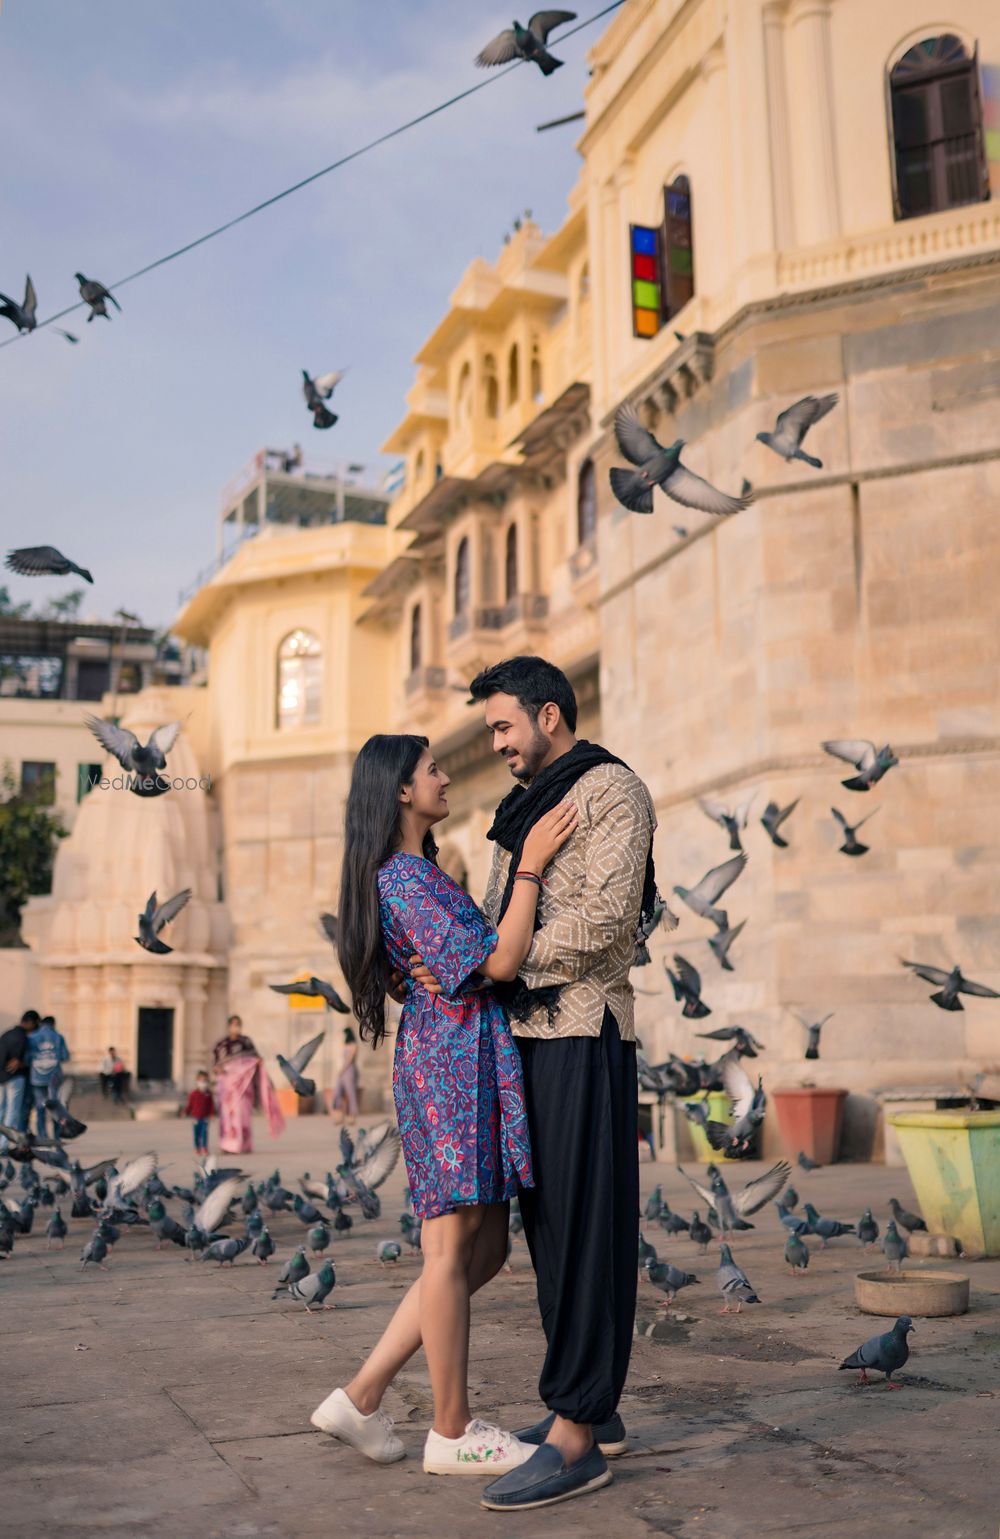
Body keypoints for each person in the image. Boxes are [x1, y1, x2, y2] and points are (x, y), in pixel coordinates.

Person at [412, 657, 657, 1512]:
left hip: (584, 1030)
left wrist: (496, 962)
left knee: (587, 1227)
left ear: (549, 715)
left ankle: (577, 1436)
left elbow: (607, 924)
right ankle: (593, 1408)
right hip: (524, 1036)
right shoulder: (523, 811)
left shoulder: (612, 791)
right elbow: (497, 919)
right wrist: (459, 953)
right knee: (552, 1230)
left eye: (505, 726)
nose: (498, 743)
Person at [310, 733, 577, 1479]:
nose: (446, 774)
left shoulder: (413, 874)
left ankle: (362, 1396)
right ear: (400, 789)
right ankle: (452, 1429)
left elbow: (462, 957)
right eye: (432, 768)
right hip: (451, 1064)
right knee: (451, 1251)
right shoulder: (404, 878)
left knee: (481, 1248)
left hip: (457, 1055)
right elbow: (496, 960)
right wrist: (530, 865)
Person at [211, 1014, 283, 1154]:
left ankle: (242, 1145)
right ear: (228, 1026)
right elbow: (215, 1065)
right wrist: (220, 1070)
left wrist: (257, 1063)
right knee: (227, 1116)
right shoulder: (221, 1045)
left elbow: (256, 1059)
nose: (235, 1027)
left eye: (238, 1024)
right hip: (228, 1088)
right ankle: (227, 1145)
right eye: (233, 1024)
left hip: (244, 1087)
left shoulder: (246, 1043)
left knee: (242, 1114)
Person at [0, 1010, 40, 1151]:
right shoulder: (22, 1037)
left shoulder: (6, 1034)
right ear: (30, 1023)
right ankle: (3, 1144)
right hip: (15, 1078)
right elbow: (17, 1060)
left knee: (2, 1110)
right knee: (13, 1111)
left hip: (2, 1077)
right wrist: (20, 1062)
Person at [26, 1014, 70, 1138]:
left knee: (40, 1108)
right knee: (55, 1108)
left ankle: (42, 1136)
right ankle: (56, 1137)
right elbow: (64, 1056)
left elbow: (27, 1058)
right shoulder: (58, 1037)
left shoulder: (32, 1037)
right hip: (54, 1077)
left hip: (37, 1077)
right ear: (53, 1024)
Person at [329, 1026, 359, 1120]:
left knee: (350, 1092)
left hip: (349, 1070)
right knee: (337, 1091)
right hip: (342, 1071)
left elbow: (349, 1059)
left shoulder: (353, 1045)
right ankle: (338, 1112)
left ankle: (352, 1113)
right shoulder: (345, 1045)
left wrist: (342, 1070)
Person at [184, 1070, 214, 1157]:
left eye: (205, 1081)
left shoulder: (208, 1094)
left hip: (205, 1117)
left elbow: (211, 1105)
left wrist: (212, 1114)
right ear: (197, 1081)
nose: (203, 1083)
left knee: (204, 1133)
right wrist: (186, 1112)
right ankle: (197, 1147)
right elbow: (190, 1105)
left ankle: (204, 1147)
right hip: (195, 1117)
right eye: (201, 1080)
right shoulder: (193, 1094)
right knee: (196, 1134)